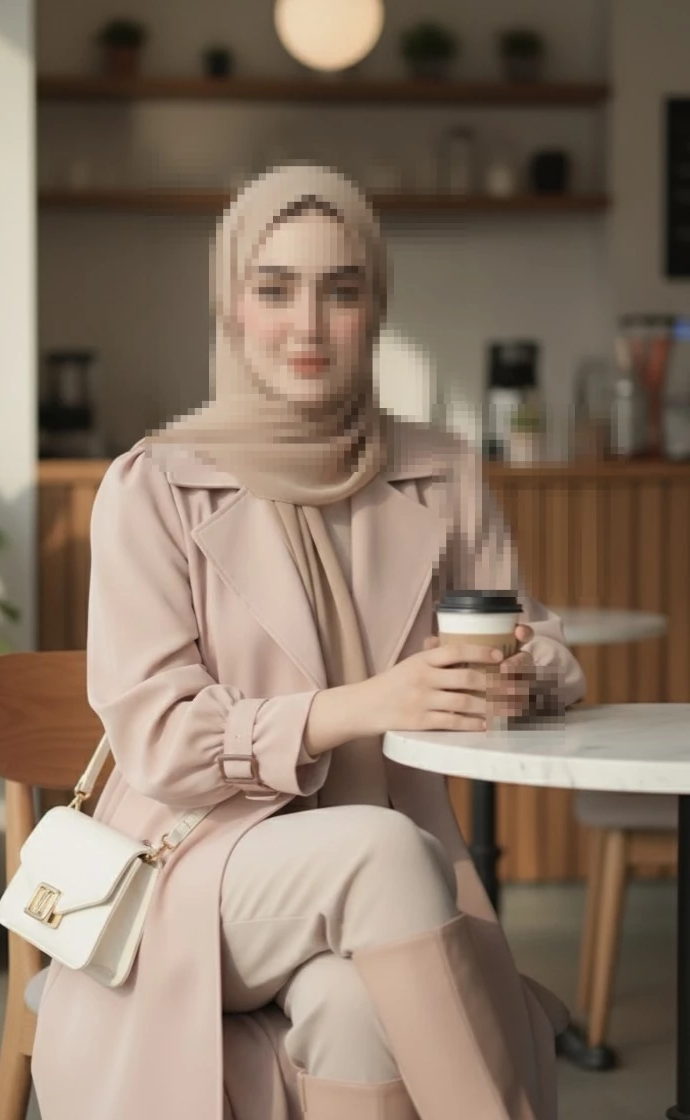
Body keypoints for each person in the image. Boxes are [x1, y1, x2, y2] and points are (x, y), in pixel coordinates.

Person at [31, 164, 585, 1120]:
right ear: (230, 307)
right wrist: (365, 706)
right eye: (274, 288)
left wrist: (529, 668)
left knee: (351, 1004)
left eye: (342, 289)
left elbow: (535, 646)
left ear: (376, 308)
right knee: (384, 852)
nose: (308, 324)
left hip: (382, 903)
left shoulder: (442, 472)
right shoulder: (153, 483)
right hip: (192, 871)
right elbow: (162, 743)